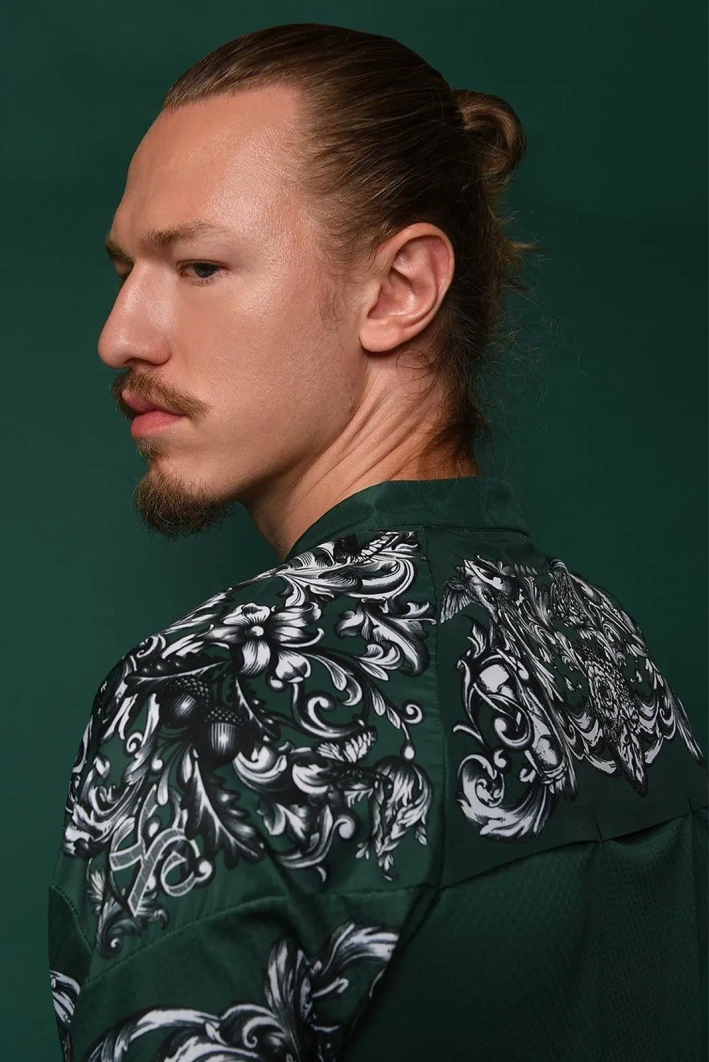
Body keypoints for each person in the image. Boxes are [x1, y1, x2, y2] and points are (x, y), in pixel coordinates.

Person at [47, 23, 708, 1062]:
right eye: (128, 269)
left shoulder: (222, 692)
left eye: (201, 265)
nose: (120, 334)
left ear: (399, 290)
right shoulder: (606, 647)